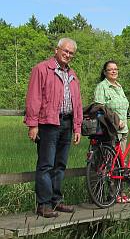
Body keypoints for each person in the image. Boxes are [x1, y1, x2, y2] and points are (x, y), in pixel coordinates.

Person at [24, 38, 82, 218]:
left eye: (71, 53)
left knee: (60, 165)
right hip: (48, 123)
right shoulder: (42, 69)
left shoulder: (73, 75)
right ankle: (44, 204)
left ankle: (56, 201)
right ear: (56, 50)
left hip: (66, 123)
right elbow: (33, 98)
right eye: (65, 51)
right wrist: (33, 124)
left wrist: (77, 127)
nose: (68, 55)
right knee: (46, 165)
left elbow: (77, 103)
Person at [93, 60, 130, 203]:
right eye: (110, 69)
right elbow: (99, 108)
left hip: (123, 130)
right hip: (110, 130)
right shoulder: (102, 87)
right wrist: (115, 121)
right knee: (110, 163)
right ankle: (112, 194)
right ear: (105, 72)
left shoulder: (119, 86)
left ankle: (121, 192)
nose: (114, 71)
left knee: (122, 161)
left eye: (116, 69)